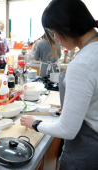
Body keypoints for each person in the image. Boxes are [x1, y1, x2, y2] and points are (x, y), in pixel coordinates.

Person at [21, 0, 98, 169]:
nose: (55, 39)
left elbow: (67, 130)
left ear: (68, 27)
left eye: (54, 32)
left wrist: (35, 123)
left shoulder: (82, 64)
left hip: (86, 153)